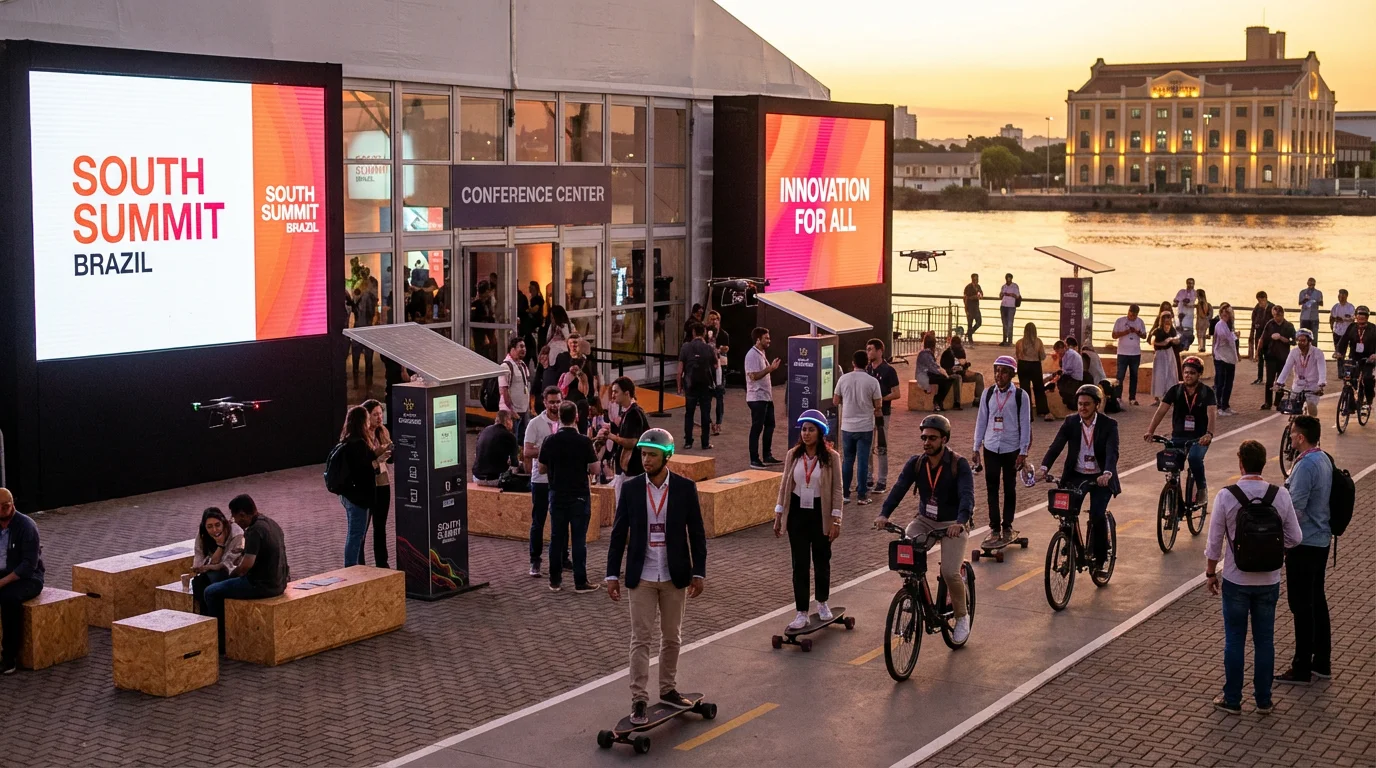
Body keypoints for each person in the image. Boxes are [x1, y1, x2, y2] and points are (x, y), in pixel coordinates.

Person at [606, 428, 707, 726]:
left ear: (667, 456)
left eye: (651, 454)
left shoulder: (686, 489)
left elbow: (697, 534)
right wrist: (612, 574)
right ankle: (639, 698)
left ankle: (668, 689)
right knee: (640, 638)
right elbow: (617, 534)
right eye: (643, 454)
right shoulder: (632, 488)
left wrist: (698, 572)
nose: (645, 459)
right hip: (643, 576)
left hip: (675, 575)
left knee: (672, 636)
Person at [1204, 440, 1303, 714]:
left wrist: (1211, 573)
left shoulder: (1227, 496)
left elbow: (1214, 543)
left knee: (1235, 639)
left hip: (1236, 579)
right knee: (1265, 640)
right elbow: (1296, 538)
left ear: (1240, 464)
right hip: (1269, 580)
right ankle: (1264, 700)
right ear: (1263, 463)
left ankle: (1232, 699)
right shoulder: (1279, 494)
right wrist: (1276, 551)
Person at [874, 414, 974, 644]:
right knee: (905, 549)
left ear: (944, 439)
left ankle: (962, 617)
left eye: (932, 438)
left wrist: (960, 522)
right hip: (925, 520)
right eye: (924, 437)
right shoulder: (916, 463)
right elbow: (898, 489)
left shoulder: (959, 464)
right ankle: (912, 591)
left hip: (953, 524)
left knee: (950, 572)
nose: (926, 442)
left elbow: (966, 495)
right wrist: (883, 514)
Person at [774, 410, 844, 630]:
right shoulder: (793, 455)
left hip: (819, 514)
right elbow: (785, 485)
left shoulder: (832, 457)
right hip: (797, 514)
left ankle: (822, 602)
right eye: (804, 429)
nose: (806, 434)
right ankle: (801, 611)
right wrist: (778, 514)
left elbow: (837, 490)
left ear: (820, 432)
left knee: (822, 561)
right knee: (800, 565)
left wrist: (836, 520)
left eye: (811, 429)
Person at [1039, 384, 1120, 574]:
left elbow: (1112, 451)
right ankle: (1071, 543)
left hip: (1101, 477)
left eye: (1087, 404)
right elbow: (1056, 446)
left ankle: (1100, 558)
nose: (1082, 408)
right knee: (1065, 513)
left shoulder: (1109, 425)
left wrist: (1107, 472)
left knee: (1097, 515)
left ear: (1097, 405)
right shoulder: (1070, 422)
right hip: (1076, 475)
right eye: (1080, 404)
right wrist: (1044, 468)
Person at [1276, 415, 1332, 685]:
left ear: (1300, 436)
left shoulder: (1306, 465)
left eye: (1292, 432)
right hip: (1320, 540)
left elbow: (1294, 509)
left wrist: (1284, 542)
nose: (1290, 437)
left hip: (1305, 543)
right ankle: (1321, 661)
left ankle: (1301, 666)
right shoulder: (1323, 459)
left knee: (1301, 605)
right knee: (1317, 601)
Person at [202, 495, 288, 653]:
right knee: (222, 587)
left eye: (235, 518)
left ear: (242, 514)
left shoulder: (254, 531)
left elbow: (246, 566)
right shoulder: (271, 523)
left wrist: (231, 575)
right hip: (280, 582)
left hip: (261, 585)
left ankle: (219, 642)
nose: (235, 522)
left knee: (211, 591)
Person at [540, 401, 606, 593]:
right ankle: (580, 581)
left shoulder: (549, 441)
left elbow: (542, 468)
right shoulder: (584, 441)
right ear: (576, 417)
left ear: (559, 417)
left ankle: (555, 581)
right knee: (578, 540)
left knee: (556, 538)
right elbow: (594, 469)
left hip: (557, 494)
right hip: (579, 496)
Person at [972, 356, 1031, 546]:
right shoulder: (988, 393)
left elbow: (1025, 425)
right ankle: (994, 526)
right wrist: (976, 447)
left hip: (1011, 447)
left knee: (1009, 488)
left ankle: (1007, 525)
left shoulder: (1021, 396)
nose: (999, 375)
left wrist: (1023, 451)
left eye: (1004, 371)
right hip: (990, 446)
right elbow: (981, 420)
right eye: (997, 370)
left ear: (1012, 374)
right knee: (991, 487)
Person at [1145, 356, 1217, 505]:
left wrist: (1209, 434)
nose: (1188, 376)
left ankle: (1202, 490)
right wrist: (1150, 431)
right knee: (1171, 463)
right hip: (1178, 437)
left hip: (1199, 438)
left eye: (1192, 373)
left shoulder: (1207, 392)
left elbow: (1212, 415)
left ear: (1199, 374)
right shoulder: (1175, 390)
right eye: (1185, 373)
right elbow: (1161, 411)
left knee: (1194, 459)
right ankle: (1173, 494)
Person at [0, 488, 44, 674]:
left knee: (9, 600)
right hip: (3, 574)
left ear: (12, 505)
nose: (2, 511)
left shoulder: (26, 526)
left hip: (27, 578)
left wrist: (2, 583)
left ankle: (10, 658)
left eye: (5, 507)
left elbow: (28, 565)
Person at [834, 349, 883, 505]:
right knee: (863, 461)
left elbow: (835, 401)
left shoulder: (843, 379)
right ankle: (862, 495)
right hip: (865, 426)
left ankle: (845, 494)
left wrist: (847, 401)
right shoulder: (872, 381)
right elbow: (878, 404)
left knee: (847, 460)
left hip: (847, 426)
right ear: (867, 363)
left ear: (853, 363)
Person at [524, 387, 563, 577]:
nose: (555, 406)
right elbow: (527, 452)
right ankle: (535, 561)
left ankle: (563, 557)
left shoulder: (567, 420)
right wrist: (549, 451)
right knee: (538, 521)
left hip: (562, 479)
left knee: (562, 520)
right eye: (552, 402)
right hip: (540, 480)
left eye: (558, 402)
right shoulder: (535, 423)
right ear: (545, 402)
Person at [336, 405, 379, 567]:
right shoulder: (359, 444)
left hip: (349, 495)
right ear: (362, 422)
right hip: (359, 497)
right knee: (356, 535)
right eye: (368, 419)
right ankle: (351, 568)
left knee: (354, 533)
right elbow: (364, 470)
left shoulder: (347, 440)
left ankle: (352, 566)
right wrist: (376, 461)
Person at [190, 507, 244, 614]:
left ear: (223, 523)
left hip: (232, 571)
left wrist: (220, 545)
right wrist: (200, 566)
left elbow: (225, 564)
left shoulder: (237, 534)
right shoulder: (202, 533)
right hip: (213, 569)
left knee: (212, 583)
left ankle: (217, 621)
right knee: (198, 583)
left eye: (217, 525)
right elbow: (199, 557)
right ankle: (207, 620)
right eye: (209, 527)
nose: (214, 530)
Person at [360, 399, 393, 569]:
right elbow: (361, 463)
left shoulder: (383, 431)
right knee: (362, 528)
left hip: (383, 483)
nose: (379, 418)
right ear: (367, 416)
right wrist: (376, 457)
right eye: (375, 415)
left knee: (380, 526)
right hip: (367, 485)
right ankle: (360, 563)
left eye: (381, 413)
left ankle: (382, 563)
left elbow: (391, 458)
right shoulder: (362, 436)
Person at [867, 337, 902, 492]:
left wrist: (880, 400)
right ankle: (868, 478)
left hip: (882, 414)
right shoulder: (866, 369)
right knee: (867, 446)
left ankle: (882, 480)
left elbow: (897, 393)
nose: (868, 352)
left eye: (871, 349)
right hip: (867, 414)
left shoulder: (889, 370)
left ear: (880, 351)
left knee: (882, 447)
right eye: (867, 349)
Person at [745, 327, 782, 470]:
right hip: (757, 398)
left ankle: (767, 455)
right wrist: (770, 369)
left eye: (769, 337)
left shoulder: (761, 353)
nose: (769, 340)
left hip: (766, 397)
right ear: (758, 339)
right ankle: (754, 459)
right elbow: (753, 376)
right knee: (756, 428)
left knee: (770, 425)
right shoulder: (751, 355)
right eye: (766, 338)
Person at [608, 377, 649, 504]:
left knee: (625, 508)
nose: (613, 395)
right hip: (629, 470)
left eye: (616, 392)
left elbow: (631, 442)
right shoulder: (629, 412)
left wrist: (610, 436)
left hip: (631, 471)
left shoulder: (633, 413)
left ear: (627, 393)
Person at [677, 322, 717, 450]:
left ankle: (688, 442)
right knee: (705, 414)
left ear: (693, 333)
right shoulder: (709, 348)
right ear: (704, 333)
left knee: (689, 413)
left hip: (690, 385)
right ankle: (705, 443)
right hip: (705, 385)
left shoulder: (686, 347)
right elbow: (715, 365)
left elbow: (680, 370)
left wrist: (679, 387)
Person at [1275, 328, 1327, 416]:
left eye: (1303, 341)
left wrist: (1321, 384)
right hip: (1297, 385)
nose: (1301, 343)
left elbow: (1322, 369)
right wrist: (1279, 382)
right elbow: (1286, 368)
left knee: (1311, 410)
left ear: (1309, 341)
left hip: (1312, 387)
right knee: (1291, 409)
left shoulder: (1318, 353)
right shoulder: (1294, 352)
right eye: (1299, 341)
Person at [1334, 305, 1376, 408]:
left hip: (1368, 358)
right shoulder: (1352, 327)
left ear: (1367, 317)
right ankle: (1351, 402)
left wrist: (1374, 355)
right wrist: (1339, 352)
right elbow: (1343, 341)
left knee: (1367, 379)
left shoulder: (1373, 328)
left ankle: (1369, 399)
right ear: (1356, 316)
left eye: (1363, 315)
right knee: (1349, 378)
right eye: (1359, 315)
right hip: (1354, 357)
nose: (1361, 317)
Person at [1259, 304, 1296, 410]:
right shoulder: (1270, 324)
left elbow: (1293, 341)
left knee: (1281, 380)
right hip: (1270, 356)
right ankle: (1268, 402)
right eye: (1274, 315)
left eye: (1278, 315)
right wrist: (1259, 352)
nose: (1276, 318)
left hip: (1283, 357)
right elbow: (1263, 338)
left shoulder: (1289, 326)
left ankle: (1278, 402)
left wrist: (1281, 338)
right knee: (1269, 381)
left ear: (1283, 315)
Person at [472, 410, 521, 486]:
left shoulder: (483, 431)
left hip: (477, 477)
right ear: (507, 421)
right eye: (512, 420)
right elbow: (514, 463)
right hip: (496, 479)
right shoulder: (509, 436)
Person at [1015, 322, 1053, 421]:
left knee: (1024, 389)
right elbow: (1043, 356)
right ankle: (1042, 411)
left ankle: (1026, 412)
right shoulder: (1038, 342)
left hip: (1023, 365)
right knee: (1039, 388)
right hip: (1035, 365)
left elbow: (1017, 355)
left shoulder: (1019, 342)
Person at [1113, 304, 1147, 406]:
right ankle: (1118, 397)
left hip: (1135, 353)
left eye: (1135, 315)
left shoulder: (1140, 322)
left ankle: (1132, 398)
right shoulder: (1120, 321)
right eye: (1131, 314)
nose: (1133, 317)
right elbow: (1114, 335)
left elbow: (1144, 336)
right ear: (1128, 312)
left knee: (1134, 375)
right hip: (1122, 352)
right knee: (1120, 375)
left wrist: (1137, 332)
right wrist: (1126, 332)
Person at [498, 337, 531, 443]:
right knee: (511, 441)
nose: (524, 349)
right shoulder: (505, 366)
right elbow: (503, 390)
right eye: (521, 346)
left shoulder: (522, 365)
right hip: (510, 412)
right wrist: (511, 411)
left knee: (521, 441)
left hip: (523, 410)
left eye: (525, 346)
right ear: (512, 349)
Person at [939, 333, 985, 409]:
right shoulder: (947, 353)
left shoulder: (961, 351)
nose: (958, 346)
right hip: (951, 374)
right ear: (952, 344)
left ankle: (978, 400)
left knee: (979, 376)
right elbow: (944, 367)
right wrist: (954, 368)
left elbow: (963, 366)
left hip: (963, 373)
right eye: (956, 344)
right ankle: (957, 403)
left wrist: (965, 365)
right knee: (958, 378)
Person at [705, 310, 729, 436]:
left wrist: (719, 350)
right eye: (711, 319)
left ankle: (719, 423)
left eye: (716, 319)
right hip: (707, 369)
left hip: (720, 368)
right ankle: (709, 423)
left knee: (719, 397)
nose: (713, 321)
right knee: (707, 397)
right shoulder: (705, 334)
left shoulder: (724, 334)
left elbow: (726, 349)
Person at [1213, 304, 1240, 416]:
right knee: (1221, 383)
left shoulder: (1229, 325)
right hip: (1221, 357)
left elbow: (1232, 342)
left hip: (1229, 358)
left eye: (1227, 313)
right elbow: (1225, 338)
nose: (1225, 315)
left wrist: (1237, 354)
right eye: (1223, 313)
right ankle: (1219, 407)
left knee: (1229, 382)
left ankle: (1226, 405)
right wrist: (1235, 335)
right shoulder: (1220, 324)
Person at [915, 333, 954, 411]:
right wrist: (944, 373)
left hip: (926, 374)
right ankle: (937, 400)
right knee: (946, 379)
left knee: (944, 379)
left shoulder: (926, 352)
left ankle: (939, 401)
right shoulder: (925, 353)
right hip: (924, 376)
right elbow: (933, 368)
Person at [1150, 312, 1181, 406]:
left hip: (1169, 353)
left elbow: (1177, 341)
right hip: (1160, 354)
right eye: (1165, 320)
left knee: (1171, 374)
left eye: (1169, 320)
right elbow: (1153, 341)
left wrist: (1174, 340)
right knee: (1159, 374)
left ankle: (1170, 396)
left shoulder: (1172, 331)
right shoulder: (1157, 331)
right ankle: (1157, 397)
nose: (1167, 322)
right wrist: (1163, 343)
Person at [1249, 291, 1276, 385]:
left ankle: (1270, 377)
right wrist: (1252, 332)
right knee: (1260, 357)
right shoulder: (1257, 307)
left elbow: (1275, 321)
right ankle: (1259, 377)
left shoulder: (1272, 308)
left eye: (1261, 301)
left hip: (1269, 337)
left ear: (1265, 299)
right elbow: (1253, 319)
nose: (1260, 303)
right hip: (1259, 334)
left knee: (1269, 358)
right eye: (1259, 301)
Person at [1058, 336, 1085, 412]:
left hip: (1075, 379)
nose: (1058, 353)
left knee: (1062, 380)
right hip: (1072, 377)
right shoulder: (1065, 355)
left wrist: (1061, 373)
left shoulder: (1070, 354)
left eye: (1058, 351)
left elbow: (1068, 370)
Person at [1174, 278, 1198, 350]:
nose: (1190, 285)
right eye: (1189, 283)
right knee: (1179, 331)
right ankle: (1180, 346)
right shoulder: (1181, 292)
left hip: (1189, 316)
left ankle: (1186, 346)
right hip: (1180, 314)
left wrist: (1189, 305)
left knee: (1188, 332)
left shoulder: (1195, 293)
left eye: (1192, 283)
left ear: (1194, 284)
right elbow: (1176, 301)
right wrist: (1177, 302)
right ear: (1186, 283)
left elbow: (1198, 304)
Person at [998, 273, 1021, 346]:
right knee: (1004, 324)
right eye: (1007, 279)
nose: (1008, 280)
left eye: (1009, 279)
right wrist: (1002, 294)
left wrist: (1010, 294)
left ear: (1011, 279)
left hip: (1011, 306)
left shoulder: (1015, 286)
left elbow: (1017, 296)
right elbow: (1000, 297)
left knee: (1010, 324)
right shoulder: (1003, 286)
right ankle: (1004, 340)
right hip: (1003, 306)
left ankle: (1010, 341)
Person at [963, 273, 984, 341]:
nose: (976, 280)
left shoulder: (978, 286)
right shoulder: (968, 287)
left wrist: (979, 295)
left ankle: (969, 333)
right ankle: (970, 339)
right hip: (970, 307)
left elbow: (981, 294)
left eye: (977, 279)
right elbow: (965, 298)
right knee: (970, 324)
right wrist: (966, 309)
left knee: (979, 322)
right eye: (975, 279)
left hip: (976, 308)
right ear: (972, 279)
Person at [1195, 288, 1212, 352]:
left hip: (1200, 321)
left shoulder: (1200, 304)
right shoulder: (1207, 304)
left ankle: (1201, 346)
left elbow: (1201, 314)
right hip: (1206, 321)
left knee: (1200, 335)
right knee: (1203, 334)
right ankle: (1203, 346)